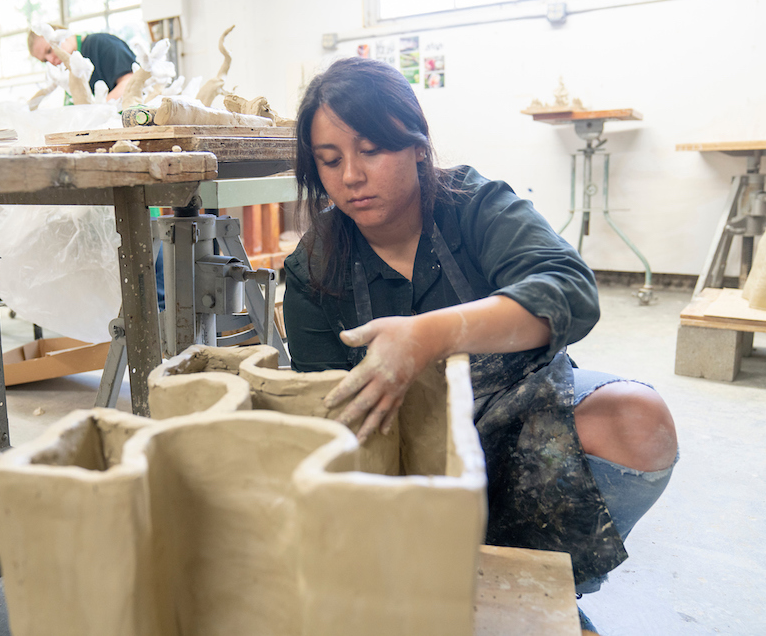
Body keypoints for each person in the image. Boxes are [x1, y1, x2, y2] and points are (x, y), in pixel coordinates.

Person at [283, 57, 679, 605]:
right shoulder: (315, 265)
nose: (350, 176)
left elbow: (570, 289)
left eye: (371, 150)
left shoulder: (474, 206)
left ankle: (545, 586)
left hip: (516, 425)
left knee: (638, 420)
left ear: (417, 144)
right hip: (399, 459)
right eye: (330, 160)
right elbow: (321, 413)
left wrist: (433, 335)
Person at [28, 27, 136, 101]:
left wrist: (99, 111)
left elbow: (130, 81)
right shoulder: (70, 72)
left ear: (62, 35)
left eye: (49, 50)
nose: (51, 60)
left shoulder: (102, 43)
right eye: (45, 60)